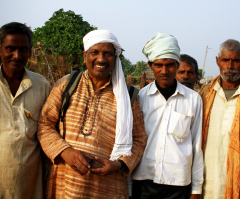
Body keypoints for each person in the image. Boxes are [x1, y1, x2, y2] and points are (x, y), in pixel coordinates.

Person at [37, 29, 147, 198]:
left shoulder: (128, 96)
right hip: (66, 184)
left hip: (107, 187)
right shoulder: (66, 84)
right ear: (84, 56)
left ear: (115, 58)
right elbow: (45, 124)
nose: (101, 59)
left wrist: (117, 165)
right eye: (94, 52)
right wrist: (66, 152)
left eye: (108, 54)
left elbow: (139, 139)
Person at [132, 33, 203, 199]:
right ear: (151, 65)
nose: (164, 71)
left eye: (170, 65)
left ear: (177, 64)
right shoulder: (140, 98)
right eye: (158, 65)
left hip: (179, 183)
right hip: (144, 180)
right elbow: (132, 142)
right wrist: (129, 187)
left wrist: (196, 189)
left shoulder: (193, 99)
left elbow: (196, 145)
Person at [0, 22, 50, 198]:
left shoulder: (41, 85)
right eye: (10, 49)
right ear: (0, 50)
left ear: (30, 51)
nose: (17, 55)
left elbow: (48, 131)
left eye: (23, 49)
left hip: (29, 183)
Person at [199, 39, 240, 199]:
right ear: (217, 61)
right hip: (205, 185)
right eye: (225, 60)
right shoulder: (204, 95)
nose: (230, 67)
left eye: (236, 61)